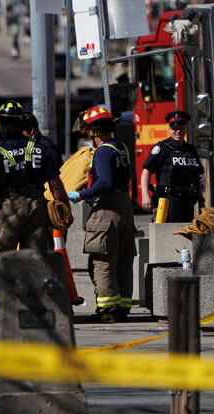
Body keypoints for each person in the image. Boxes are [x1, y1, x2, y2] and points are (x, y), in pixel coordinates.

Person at [0, 100, 69, 331]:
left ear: (2, 126)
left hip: (8, 209)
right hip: (37, 208)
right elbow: (56, 186)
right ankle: (34, 313)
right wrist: (63, 213)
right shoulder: (40, 149)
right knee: (35, 261)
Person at [68, 106, 135, 323]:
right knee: (123, 262)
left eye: (89, 133)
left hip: (107, 210)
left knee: (103, 262)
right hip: (125, 207)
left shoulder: (104, 151)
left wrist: (81, 195)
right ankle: (123, 307)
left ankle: (108, 310)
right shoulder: (120, 147)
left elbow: (105, 182)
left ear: (94, 133)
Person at [140, 110, 204, 222]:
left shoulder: (190, 150)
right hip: (168, 201)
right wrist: (145, 195)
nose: (177, 131)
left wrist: (201, 201)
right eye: (174, 129)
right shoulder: (162, 148)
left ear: (186, 129)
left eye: (181, 128)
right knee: (168, 236)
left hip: (188, 202)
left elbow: (197, 178)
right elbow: (146, 170)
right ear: (169, 130)